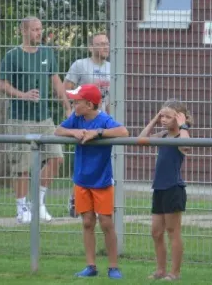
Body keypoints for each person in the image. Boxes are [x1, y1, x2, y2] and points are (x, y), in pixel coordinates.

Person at [0, 17, 72, 224]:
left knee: (57, 158)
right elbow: (1, 85)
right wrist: (23, 95)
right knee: (22, 167)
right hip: (20, 119)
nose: (39, 33)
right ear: (23, 31)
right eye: (34, 30)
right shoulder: (12, 55)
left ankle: (38, 204)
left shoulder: (47, 53)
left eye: (40, 29)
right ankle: (22, 209)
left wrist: (67, 108)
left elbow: (56, 82)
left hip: (45, 119)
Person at [54, 83, 129, 279]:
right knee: (87, 222)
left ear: (89, 104)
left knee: (106, 223)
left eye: (76, 101)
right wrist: (74, 133)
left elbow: (124, 132)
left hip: (102, 181)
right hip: (81, 180)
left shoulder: (104, 119)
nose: (73, 103)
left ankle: (113, 267)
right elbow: (58, 131)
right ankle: (91, 266)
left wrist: (99, 133)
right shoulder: (76, 118)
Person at [139, 99, 191, 281]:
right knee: (156, 231)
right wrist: (154, 120)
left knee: (172, 231)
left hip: (173, 188)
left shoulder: (181, 136)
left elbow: (186, 146)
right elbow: (141, 139)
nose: (164, 119)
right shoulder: (162, 136)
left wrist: (184, 125)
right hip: (159, 188)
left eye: (168, 117)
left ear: (178, 118)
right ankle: (160, 270)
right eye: (162, 116)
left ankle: (174, 273)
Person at [64, 33, 111, 112]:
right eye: (102, 44)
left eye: (107, 44)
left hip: (101, 118)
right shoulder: (80, 64)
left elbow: (109, 99)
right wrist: (69, 110)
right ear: (91, 48)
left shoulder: (111, 67)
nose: (106, 47)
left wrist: (110, 119)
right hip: (81, 116)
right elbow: (65, 90)